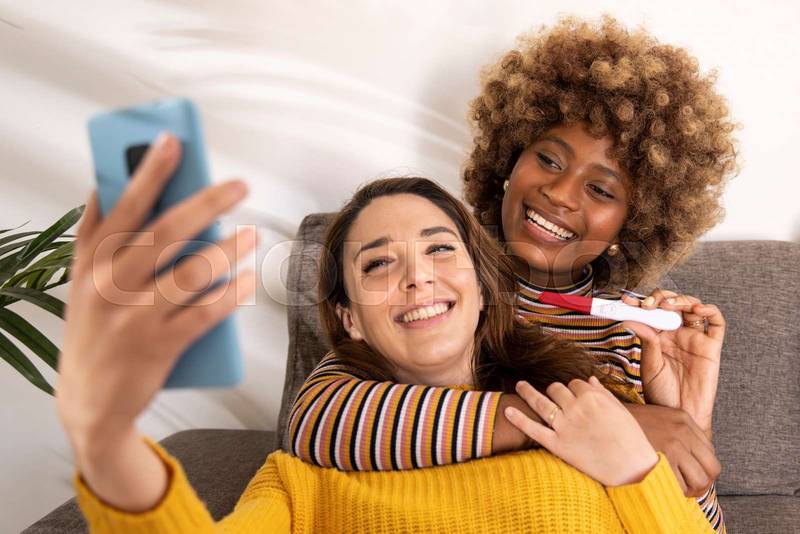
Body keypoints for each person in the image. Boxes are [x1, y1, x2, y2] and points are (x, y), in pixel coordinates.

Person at [57, 142, 712, 531]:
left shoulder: (597, 415)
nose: (416, 278)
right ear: (348, 318)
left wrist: (675, 434)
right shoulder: (306, 474)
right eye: (377, 263)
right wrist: (108, 443)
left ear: (484, 288)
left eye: (438, 250)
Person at [288, 15, 735, 533]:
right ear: (508, 160)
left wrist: (688, 425)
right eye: (548, 159)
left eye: (601, 190)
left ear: (630, 221)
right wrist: (599, 424)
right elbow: (317, 421)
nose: (561, 194)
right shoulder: (437, 291)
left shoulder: (634, 339)